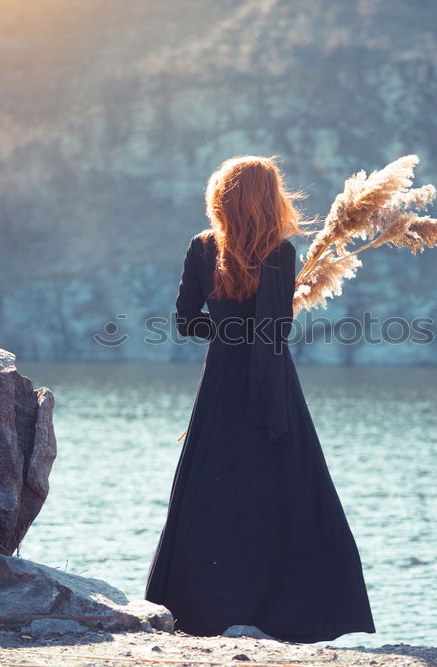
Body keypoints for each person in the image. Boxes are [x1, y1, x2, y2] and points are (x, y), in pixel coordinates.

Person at [144, 155, 376, 643]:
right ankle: (282, 609)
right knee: (284, 491)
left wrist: (225, 331)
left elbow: (187, 320)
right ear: (270, 199)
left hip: (220, 384)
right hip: (271, 386)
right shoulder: (280, 252)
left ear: (222, 198)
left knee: (213, 492)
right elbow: (274, 332)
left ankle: (201, 608)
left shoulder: (201, 247)